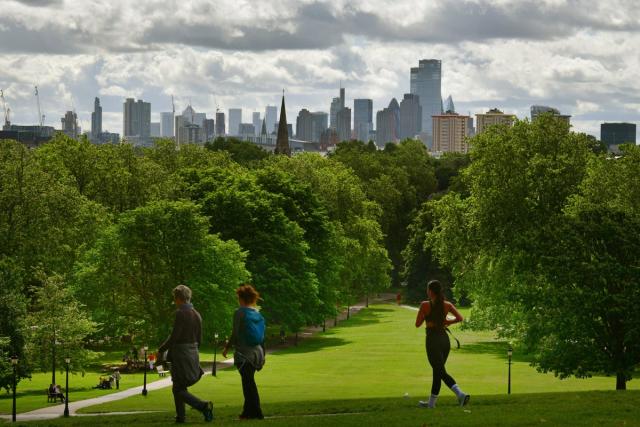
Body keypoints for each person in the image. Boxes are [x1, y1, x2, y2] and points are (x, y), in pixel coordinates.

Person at [158, 285, 213, 423]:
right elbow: (199, 339)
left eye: (174, 299)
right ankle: (180, 417)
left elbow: (174, 337)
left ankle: (203, 406)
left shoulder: (180, 313)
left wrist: (161, 349)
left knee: (177, 388)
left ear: (178, 298)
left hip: (181, 353)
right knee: (179, 386)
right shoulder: (197, 314)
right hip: (193, 351)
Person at [415, 280, 470, 408]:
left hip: (433, 341)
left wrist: (427, 319)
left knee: (440, 371)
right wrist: (446, 322)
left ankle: (461, 395)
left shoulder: (424, 305)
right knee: (438, 371)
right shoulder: (447, 304)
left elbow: (417, 324)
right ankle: (431, 404)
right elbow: (460, 318)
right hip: (445, 341)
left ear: (430, 291)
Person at [223, 284, 265, 420]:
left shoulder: (239, 312)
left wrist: (227, 347)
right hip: (257, 353)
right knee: (248, 381)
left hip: (244, 354)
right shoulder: (257, 313)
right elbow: (262, 335)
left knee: (248, 384)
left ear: (241, 298)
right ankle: (247, 413)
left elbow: (235, 333)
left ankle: (257, 412)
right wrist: (263, 355)